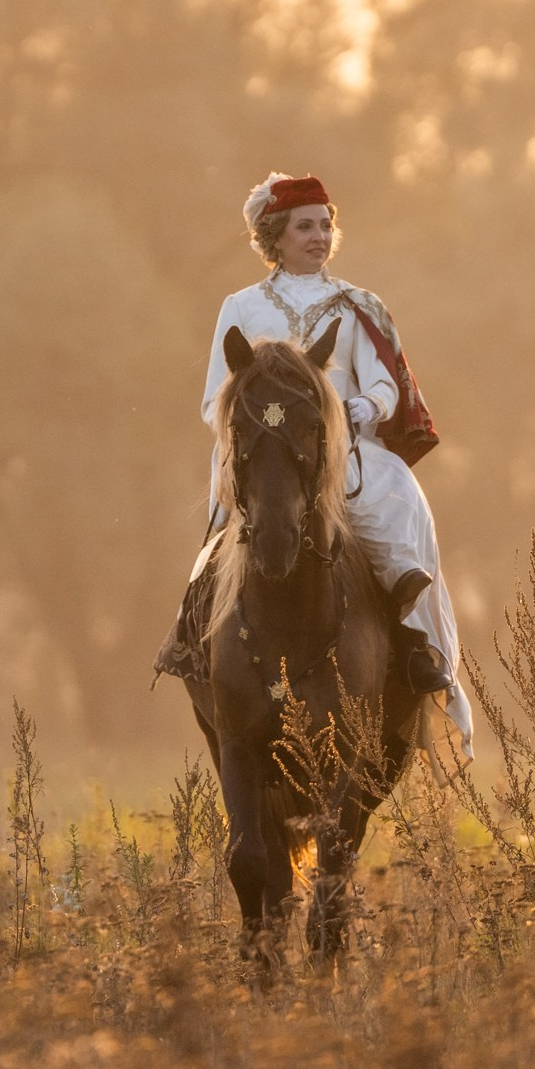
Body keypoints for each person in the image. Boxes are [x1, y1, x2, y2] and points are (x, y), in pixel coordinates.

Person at [154, 172, 474, 752]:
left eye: (326, 225)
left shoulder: (359, 305)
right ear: (275, 234)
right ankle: (190, 630)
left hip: (346, 447)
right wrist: (259, 427)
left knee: (396, 501)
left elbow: (386, 385)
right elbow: (211, 400)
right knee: (220, 533)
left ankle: (414, 640)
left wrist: (354, 407)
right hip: (261, 453)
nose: (320, 236)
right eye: (306, 226)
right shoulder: (240, 307)